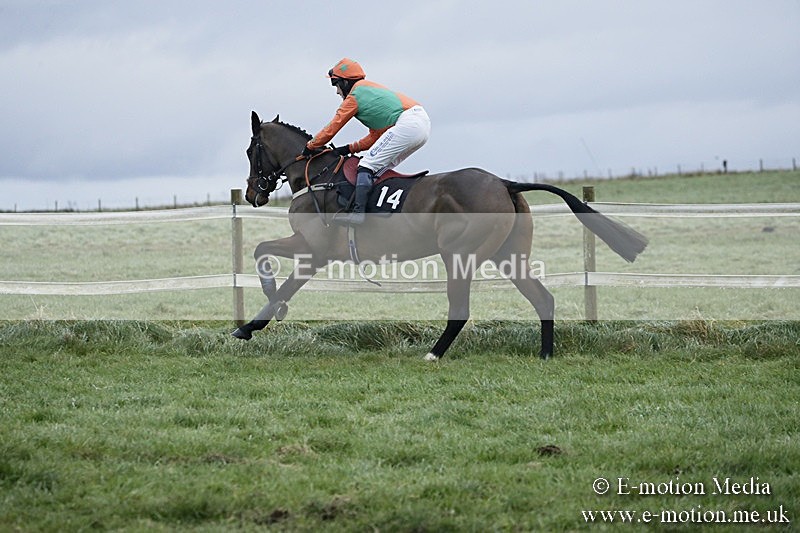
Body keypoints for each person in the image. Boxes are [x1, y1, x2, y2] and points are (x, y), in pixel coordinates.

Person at [303, 58, 431, 225]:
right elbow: (375, 136)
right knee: (378, 170)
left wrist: (310, 146)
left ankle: (358, 214)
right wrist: (348, 149)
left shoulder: (355, 95)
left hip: (409, 124)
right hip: (420, 125)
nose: (336, 91)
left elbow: (333, 126)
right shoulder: (367, 92)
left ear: (345, 82)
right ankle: (379, 211)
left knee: (365, 166)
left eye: (336, 85)